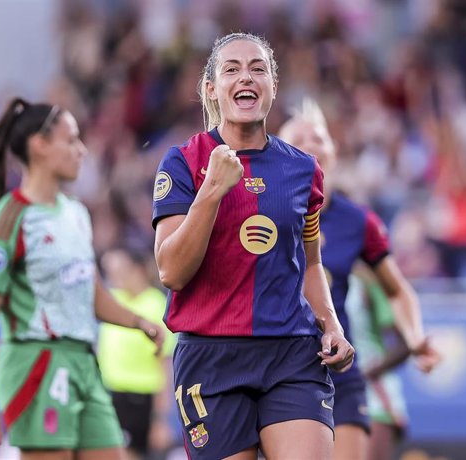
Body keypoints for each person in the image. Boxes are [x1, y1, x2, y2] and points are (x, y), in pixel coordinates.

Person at [151, 33, 355, 460]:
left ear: (272, 86)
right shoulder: (183, 162)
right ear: (211, 89)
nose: (247, 76)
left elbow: (311, 264)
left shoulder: (303, 170)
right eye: (232, 69)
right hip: (211, 358)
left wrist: (331, 326)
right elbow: (171, 271)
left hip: (291, 354)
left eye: (258, 68)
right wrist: (210, 193)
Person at [0, 98, 165, 460]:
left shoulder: (75, 213)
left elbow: (89, 292)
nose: (83, 150)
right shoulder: (10, 219)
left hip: (84, 364)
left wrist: (137, 322)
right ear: (39, 146)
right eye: (72, 140)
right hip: (37, 362)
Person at [278, 99, 441, 460]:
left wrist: (415, 338)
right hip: (277, 365)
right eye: (299, 136)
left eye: (319, 137)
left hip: (338, 365)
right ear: (278, 150)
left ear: (334, 152)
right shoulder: (259, 208)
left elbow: (397, 290)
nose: (311, 143)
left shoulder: (357, 221)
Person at [97, 247, 177, 459]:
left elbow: (164, 365)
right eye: (111, 272)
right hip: (110, 394)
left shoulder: (155, 304)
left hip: (141, 397)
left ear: (138, 270)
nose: (116, 277)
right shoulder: (112, 300)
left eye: (121, 270)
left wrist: (160, 419)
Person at [345, 271, 414, 460]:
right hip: (327, 389)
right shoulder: (309, 273)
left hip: (372, 393)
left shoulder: (367, 282)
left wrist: (364, 373)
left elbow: (405, 344)